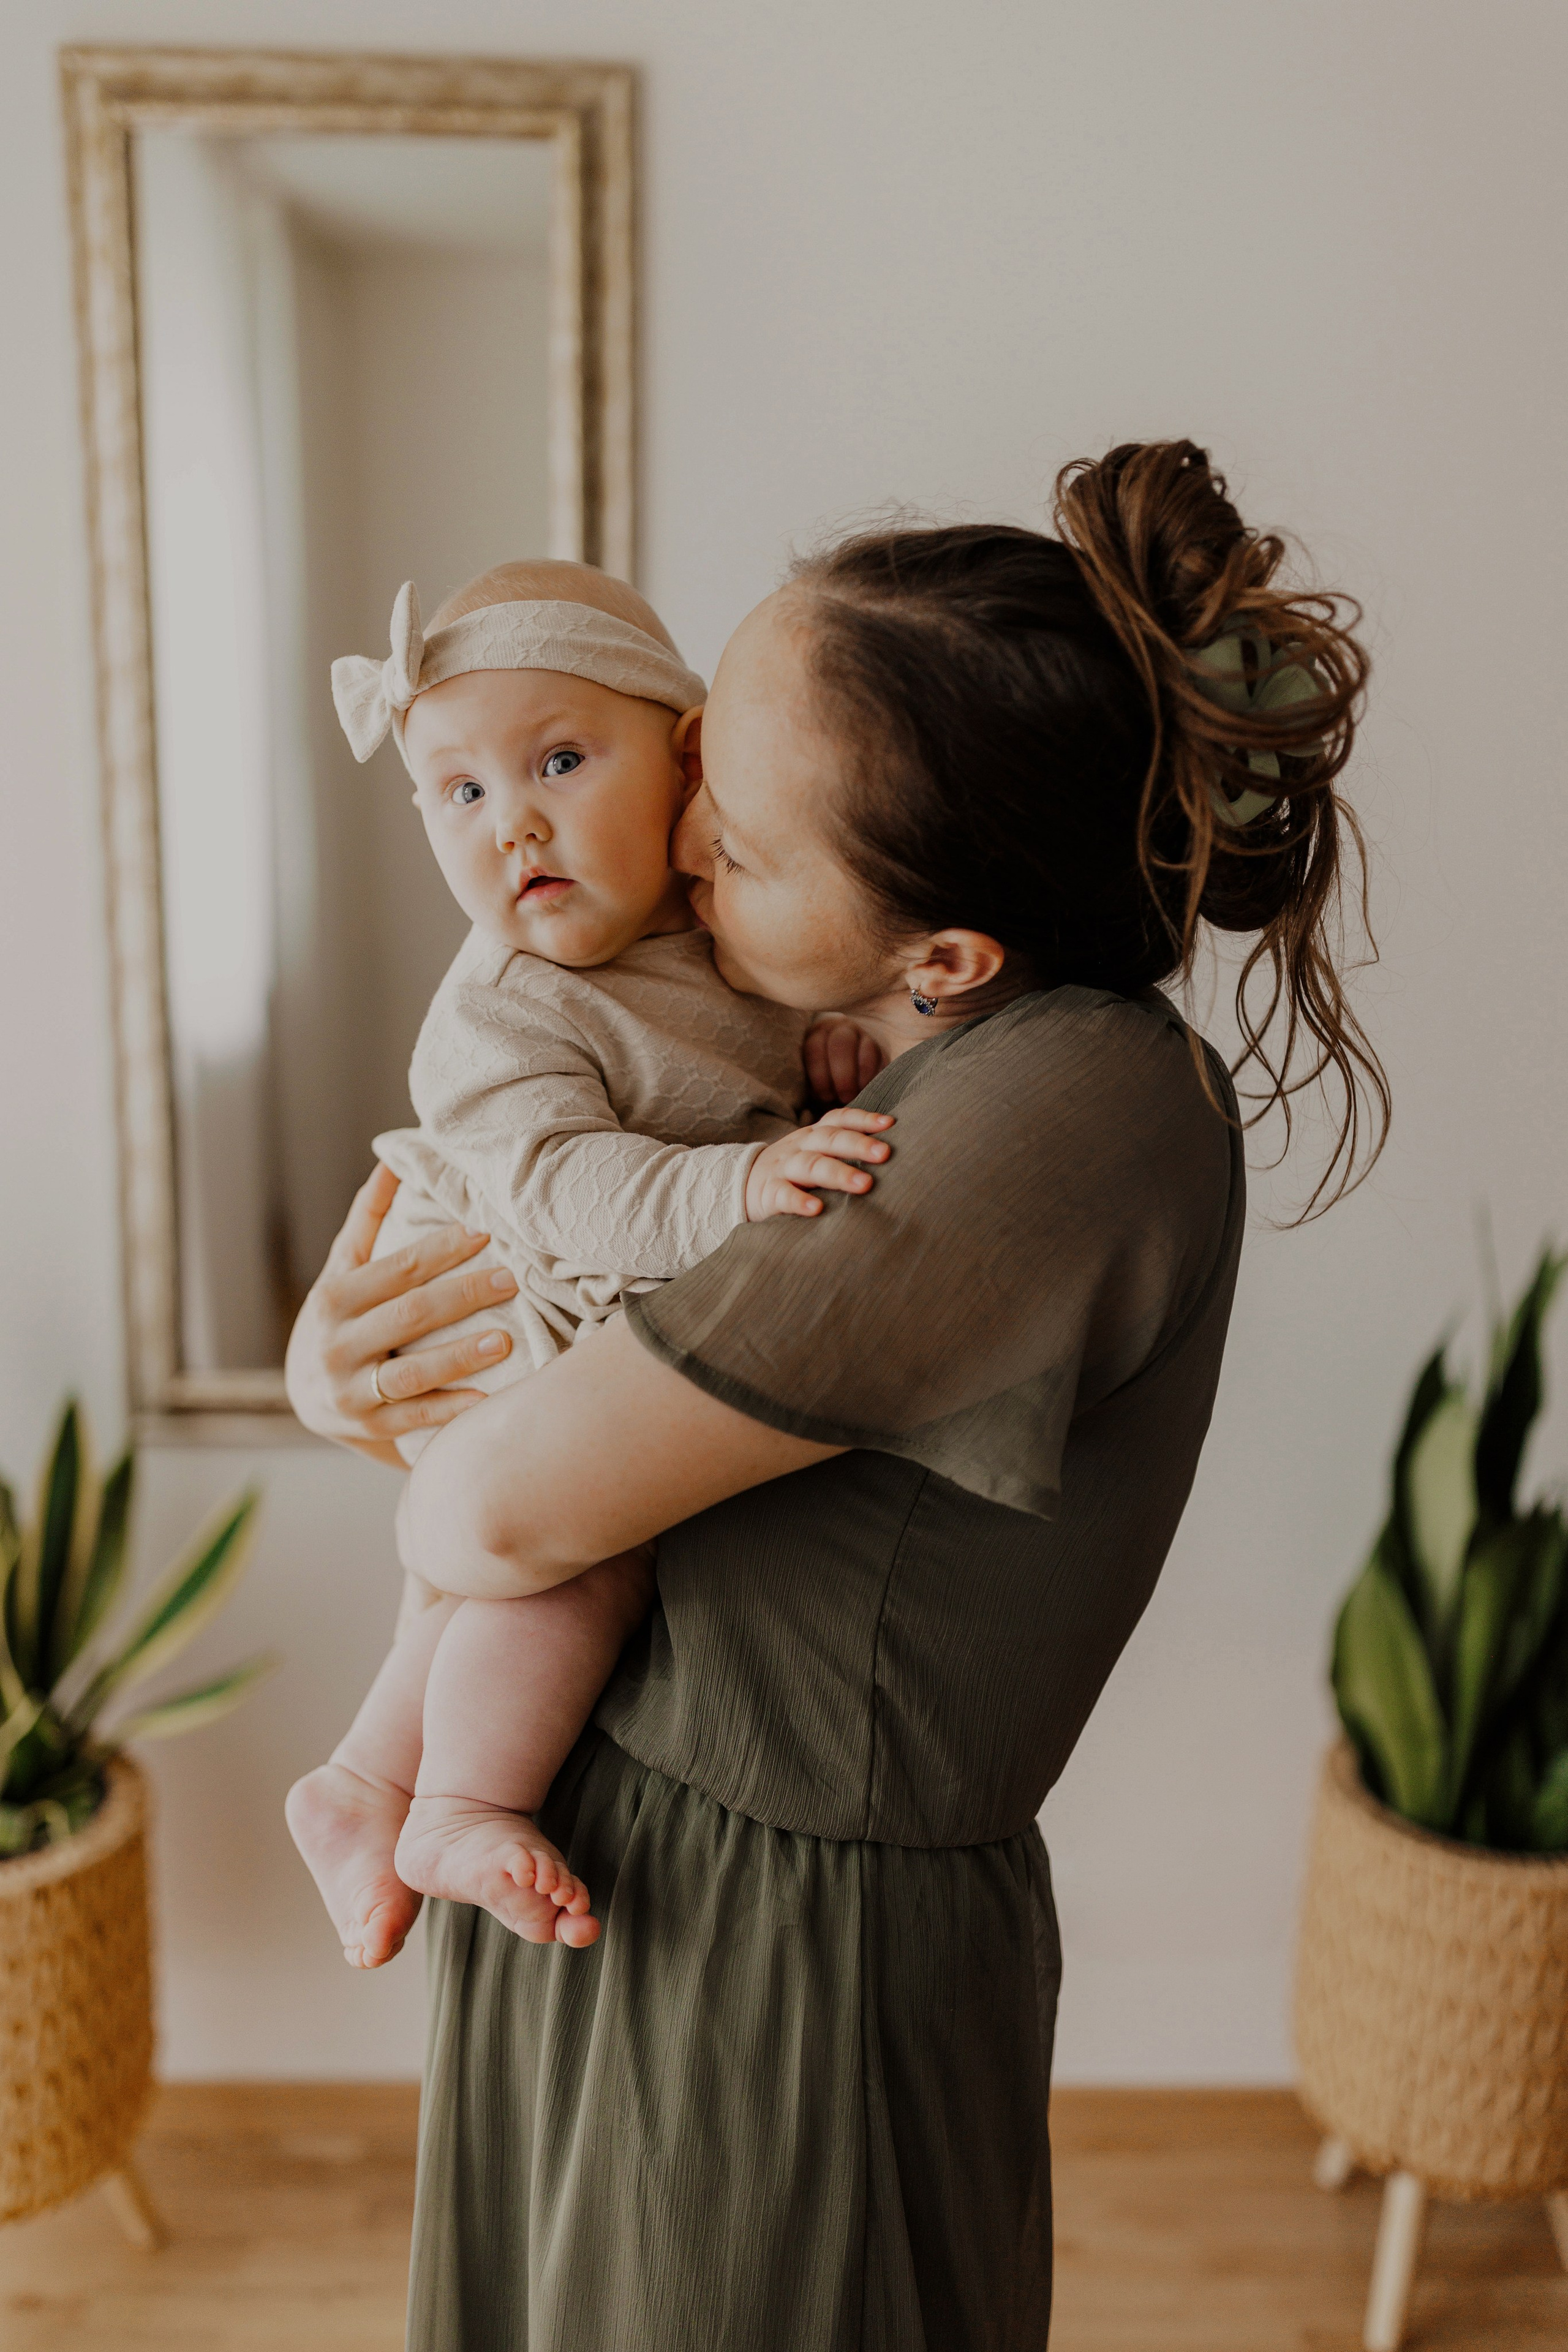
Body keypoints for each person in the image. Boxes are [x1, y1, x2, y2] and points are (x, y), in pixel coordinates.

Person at [286, 441, 1384, 2350]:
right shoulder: (842, 1052)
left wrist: (413, 1440)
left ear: (945, 954)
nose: (675, 836)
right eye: (699, 762)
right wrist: (352, 1352)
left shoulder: (1068, 1102)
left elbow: (486, 1515)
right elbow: (522, 1230)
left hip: (773, 1962)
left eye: (743, 834)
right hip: (609, 1846)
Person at [286, 558, 894, 1968]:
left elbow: (735, 1063)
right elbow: (567, 1186)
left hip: (585, 1301)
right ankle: (456, 1802)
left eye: (558, 759)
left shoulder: (705, 931)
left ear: (686, 761)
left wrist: (817, 1074)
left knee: (469, 1594)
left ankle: (363, 1784)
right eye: (462, 792)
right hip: (513, 1299)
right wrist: (741, 1177)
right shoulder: (503, 1008)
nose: (515, 826)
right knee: (574, 1568)